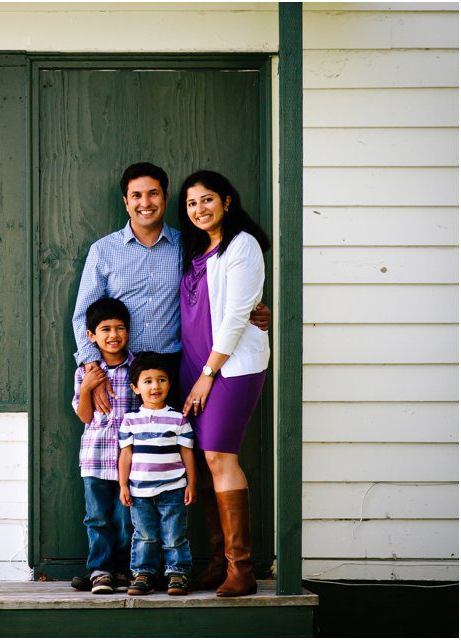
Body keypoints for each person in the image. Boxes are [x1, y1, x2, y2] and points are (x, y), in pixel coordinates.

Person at [70, 162, 270, 592]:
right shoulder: (104, 250)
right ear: (125, 201)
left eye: (154, 194)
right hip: (121, 373)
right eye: (137, 196)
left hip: (179, 369)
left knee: (190, 460)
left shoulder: (187, 245)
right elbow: (82, 312)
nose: (146, 203)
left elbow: (220, 292)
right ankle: (118, 564)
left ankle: (197, 562)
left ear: (164, 198)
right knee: (123, 466)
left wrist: (256, 312)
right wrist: (93, 365)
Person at [177, 170, 271, 598]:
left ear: (227, 201)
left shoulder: (242, 245)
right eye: (192, 203)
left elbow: (236, 317)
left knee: (219, 455)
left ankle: (242, 568)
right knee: (204, 458)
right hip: (194, 365)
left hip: (229, 367)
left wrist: (207, 375)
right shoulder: (197, 249)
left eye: (207, 200)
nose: (199, 209)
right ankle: (218, 562)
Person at [70, 297, 138, 594]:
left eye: (120, 328)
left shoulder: (137, 369)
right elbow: (85, 416)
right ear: (91, 336)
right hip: (95, 458)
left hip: (129, 460)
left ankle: (122, 569)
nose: (113, 335)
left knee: (125, 519)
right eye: (105, 329)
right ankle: (100, 570)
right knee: (97, 517)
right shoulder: (86, 372)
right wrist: (86, 388)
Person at [118, 352, 195, 597]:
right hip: (139, 491)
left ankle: (177, 573)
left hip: (173, 488)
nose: (155, 386)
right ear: (135, 387)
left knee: (174, 535)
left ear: (169, 384)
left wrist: (191, 483)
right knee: (145, 535)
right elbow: (126, 455)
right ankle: (143, 573)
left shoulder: (178, 418)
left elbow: (187, 454)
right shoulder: (130, 420)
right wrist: (123, 485)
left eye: (161, 380)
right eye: (148, 381)